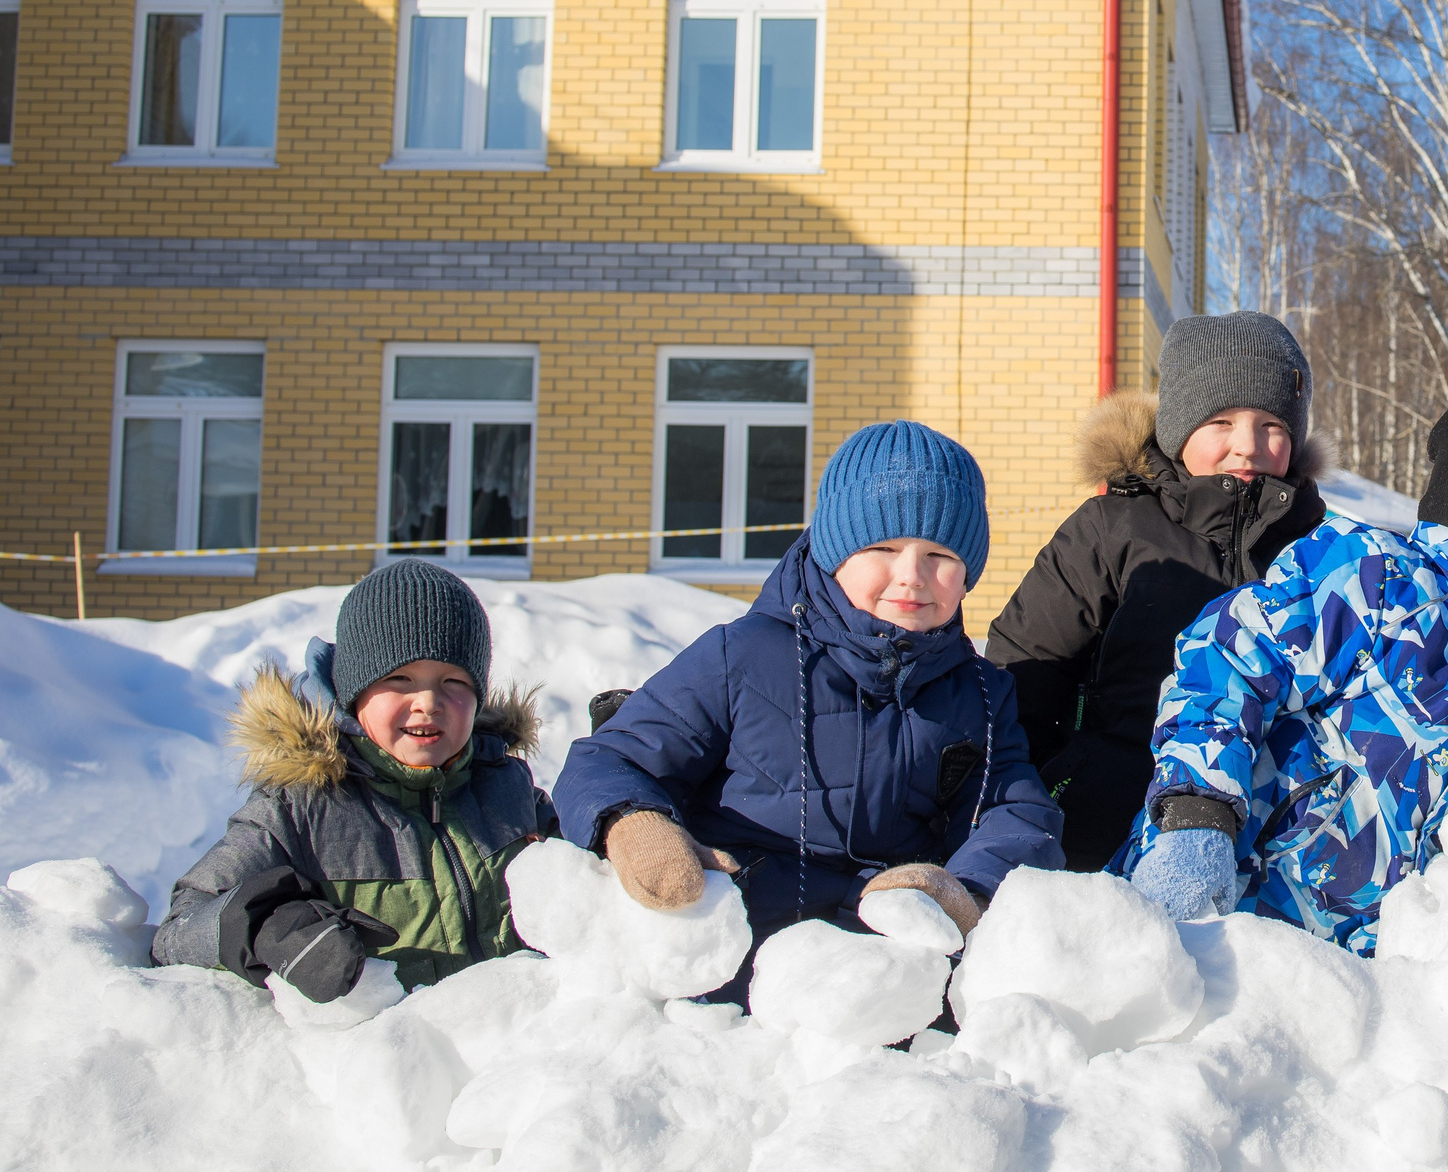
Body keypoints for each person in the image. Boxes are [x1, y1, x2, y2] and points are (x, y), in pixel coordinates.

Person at [552, 421, 1062, 1001]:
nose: (912, 577)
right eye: (883, 548)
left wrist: (962, 891)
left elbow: (1017, 814)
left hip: (879, 975)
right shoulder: (741, 656)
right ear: (834, 550)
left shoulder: (979, 692)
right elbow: (608, 759)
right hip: (734, 962)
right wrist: (635, 826)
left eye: (941, 555)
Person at [1118, 392, 1448, 952]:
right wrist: (1195, 817)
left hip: (1350, 970)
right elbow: (1226, 659)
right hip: (1224, 897)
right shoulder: (1373, 574)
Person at [985, 312, 1330, 869]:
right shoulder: (1110, 529)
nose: (1247, 446)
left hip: (1278, 850)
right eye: (1220, 421)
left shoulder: (1322, 547)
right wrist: (1051, 795)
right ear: (1178, 426)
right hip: (1103, 833)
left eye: (1271, 424)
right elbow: (1022, 678)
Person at [153, 559, 554, 998]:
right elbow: (179, 928)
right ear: (353, 693)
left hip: (514, 1054)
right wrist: (268, 928)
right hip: (385, 1056)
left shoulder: (508, 791)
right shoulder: (299, 809)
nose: (428, 701)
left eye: (454, 681)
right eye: (399, 678)